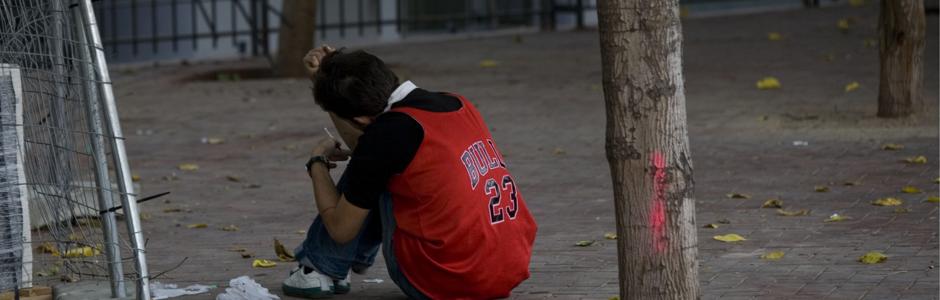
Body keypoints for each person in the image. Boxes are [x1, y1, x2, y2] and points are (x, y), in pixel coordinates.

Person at [283, 45, 537, 299]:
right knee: (372, 166)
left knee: (370, 173)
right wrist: (325, 82)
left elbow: (341, 230)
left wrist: (317, 161)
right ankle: (334, 264)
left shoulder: (385, 137)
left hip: (444, 278)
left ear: (360, 119)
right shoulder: (457, 103)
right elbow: (368, 145)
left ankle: (317, 267)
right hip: (504, 269)